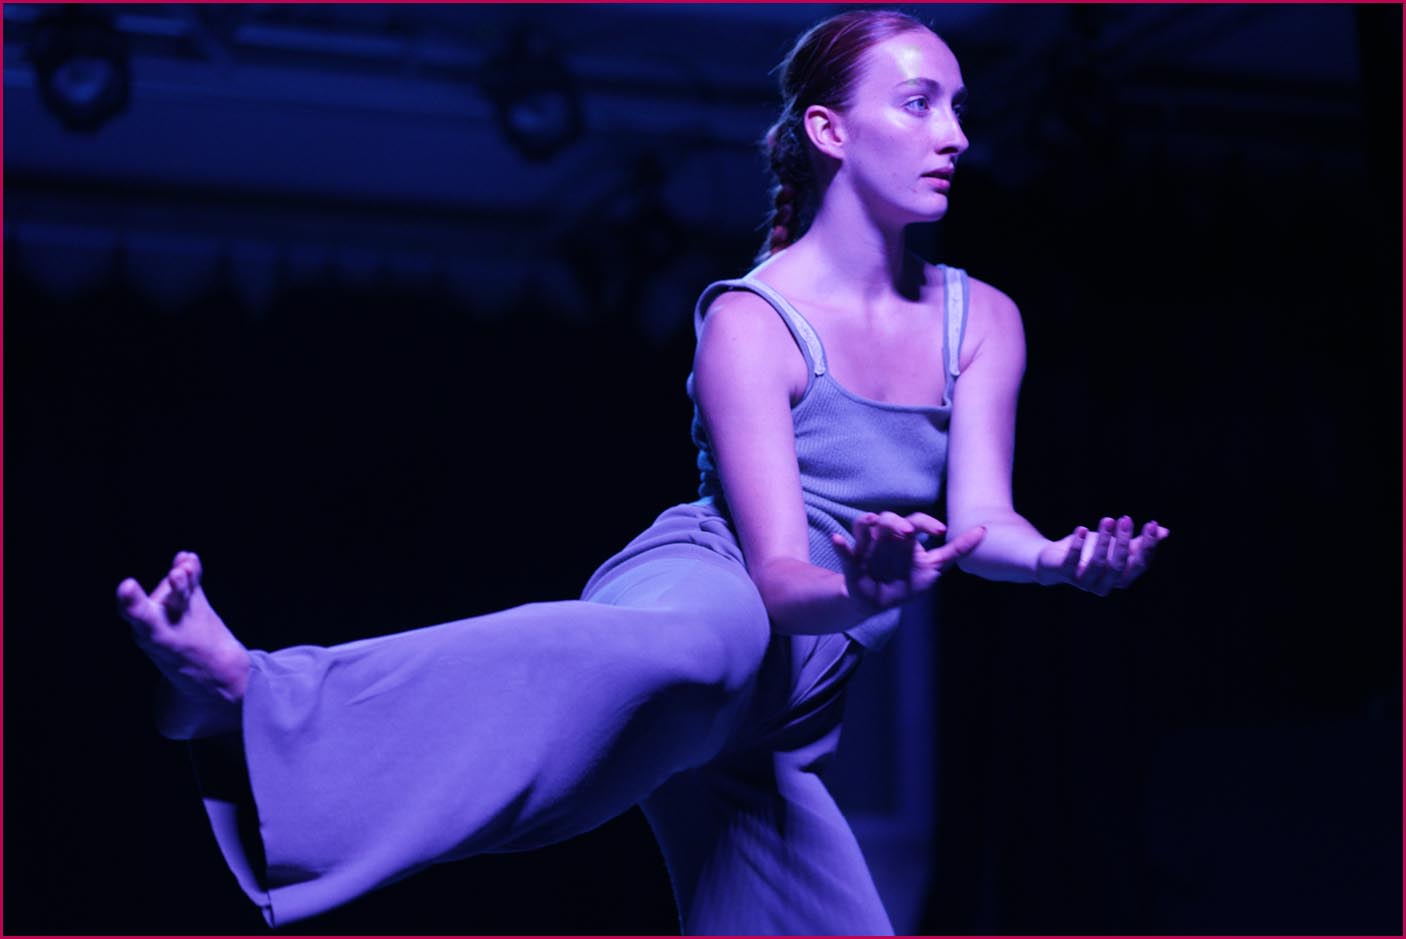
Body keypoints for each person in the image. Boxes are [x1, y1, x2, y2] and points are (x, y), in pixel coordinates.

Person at [116, 9, 1168, 935]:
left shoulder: (980, 318)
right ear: (829, 131)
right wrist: (865, 589)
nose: (955, 135)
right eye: (918, 102)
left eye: (958, 108)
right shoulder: (753, 321)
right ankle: (251, 694)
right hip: (721, 589)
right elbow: (776, 582)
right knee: (686, 654)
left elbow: (984, 519)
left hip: (796, 700)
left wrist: (1060, 561)